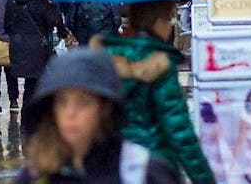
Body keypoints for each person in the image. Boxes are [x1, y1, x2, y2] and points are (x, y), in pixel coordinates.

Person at [14, 48, 180, 184]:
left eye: (83, 102)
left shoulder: (142, 172)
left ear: (104, 108)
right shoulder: (36, 176)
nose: (70, 113)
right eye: (62, 102)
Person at [94, 0, 215, 184]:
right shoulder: (159, 64)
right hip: (153, 167)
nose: (170, 26)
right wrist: (203, 178)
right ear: (158, 22)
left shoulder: (105, 59)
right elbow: (178, 129)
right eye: (169, 19)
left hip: (112, 165)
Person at [4, 0, 71, 114]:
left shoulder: (13, 1)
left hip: (19, 47)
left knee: (31, 83)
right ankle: (32, 117)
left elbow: (6, 25)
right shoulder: (40, 1)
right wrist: (53, 3)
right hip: (37, 48)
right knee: (36, 83)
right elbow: (53, 20)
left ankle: (28, 116)